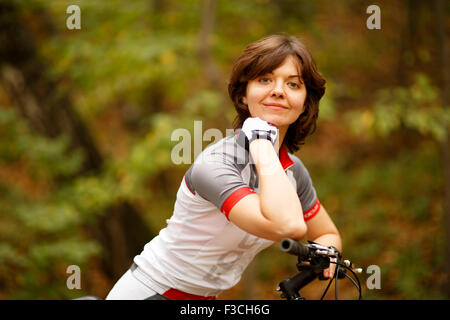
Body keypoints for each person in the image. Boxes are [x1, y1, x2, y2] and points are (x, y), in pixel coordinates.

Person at [106, 34, 341, 300]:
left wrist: (326, 254)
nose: (278, 90)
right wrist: (262, 143)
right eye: (265, 79)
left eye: (293, 84)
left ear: (305, 103)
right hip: (151, 291)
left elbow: (326, 233)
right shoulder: (216, 164)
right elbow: (287, 225)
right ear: (243, 96)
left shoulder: (293, 171)